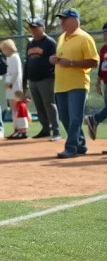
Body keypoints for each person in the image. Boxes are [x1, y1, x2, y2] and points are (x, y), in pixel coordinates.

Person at [49, 9, 98, 158]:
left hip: (78, 84)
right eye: (61, 19)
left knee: (76, 117)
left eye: (65, 19)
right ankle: (81, 145)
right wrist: (54, 59)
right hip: (61, 84)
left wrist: (72, 63)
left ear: (75, 20)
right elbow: (62, 57)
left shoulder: (85, 38)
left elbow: (94, 61)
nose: (61, 22)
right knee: (64, 117)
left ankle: (70, 147)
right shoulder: (62, 37)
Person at [23, 19, 60, 140]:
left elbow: (55, 61)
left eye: (36, 27)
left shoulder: (50, 42)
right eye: (31, 28)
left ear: (42, 28)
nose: (33, 30)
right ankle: (45, 129)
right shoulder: (31, 43)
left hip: (46, 79)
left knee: (49, 105)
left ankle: (56, 131)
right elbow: (27, 62)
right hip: (33, 80)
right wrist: (25, 80)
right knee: (39, 106)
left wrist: (54, 77)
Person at [86, 22, 107, 143]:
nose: (106, 35)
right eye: (105, 33)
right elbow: (101, 67)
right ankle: (94, 119)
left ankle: (94, 119)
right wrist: (98, 81)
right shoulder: (103, 49)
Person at [0, 39, 24, 139]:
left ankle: (20, 130)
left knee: (17, 109)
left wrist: (8, 82)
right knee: (14, 110)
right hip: (13, 86)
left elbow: (14, 72)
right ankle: (17, 129)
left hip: (14, 86)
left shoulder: (13, 57)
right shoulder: (12, 57)